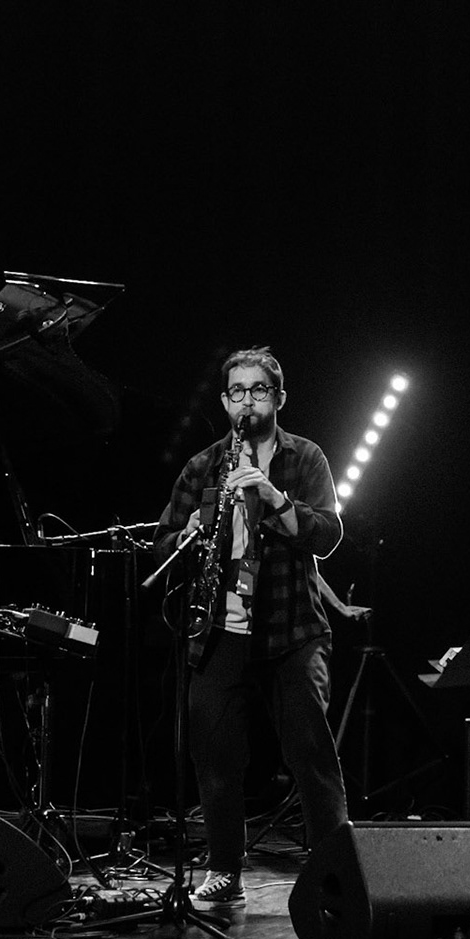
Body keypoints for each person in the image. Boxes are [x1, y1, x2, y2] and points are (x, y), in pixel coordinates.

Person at [153, 348, 349, 909]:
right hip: (220, 630)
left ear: (278, 398)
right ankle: (223, 868)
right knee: (214, 755)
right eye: (236, 392)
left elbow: (328, 536)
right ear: (224, 401)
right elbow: (162, 547)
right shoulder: (202, 466)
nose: (247, 401)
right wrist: (186, 534)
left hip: (292, 630)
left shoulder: (304, 457)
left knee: (310, 754)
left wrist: (273, 497)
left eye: (258, 390)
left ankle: (337, 866)